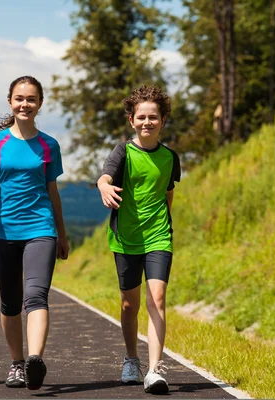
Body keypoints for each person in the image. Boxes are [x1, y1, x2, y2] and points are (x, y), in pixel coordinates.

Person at [0, 75, 70, 391]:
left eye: (31, 99)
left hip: (41, 230)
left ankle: (34, 361)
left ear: (40, 104)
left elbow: (52, 192)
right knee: (10, 302)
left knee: (36, 296)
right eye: (19, 98)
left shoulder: (49, 145)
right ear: (10, 102)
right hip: (3, 231)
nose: (25, 104)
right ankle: (17, 362)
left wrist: (62, 233)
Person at [96, 85, 181, 394]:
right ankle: (132, 358)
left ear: (163, 120)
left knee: (157, 298)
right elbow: (106, 175)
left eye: (153, 117)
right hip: (126, 239)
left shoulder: (171, 157)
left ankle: (156, 369)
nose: (148, 122)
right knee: (129, 304)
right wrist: (103, 186)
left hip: (159, 236)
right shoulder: (123, 151)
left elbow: (168, 193)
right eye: (141, 117)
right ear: (132, 120)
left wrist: (160, 225)